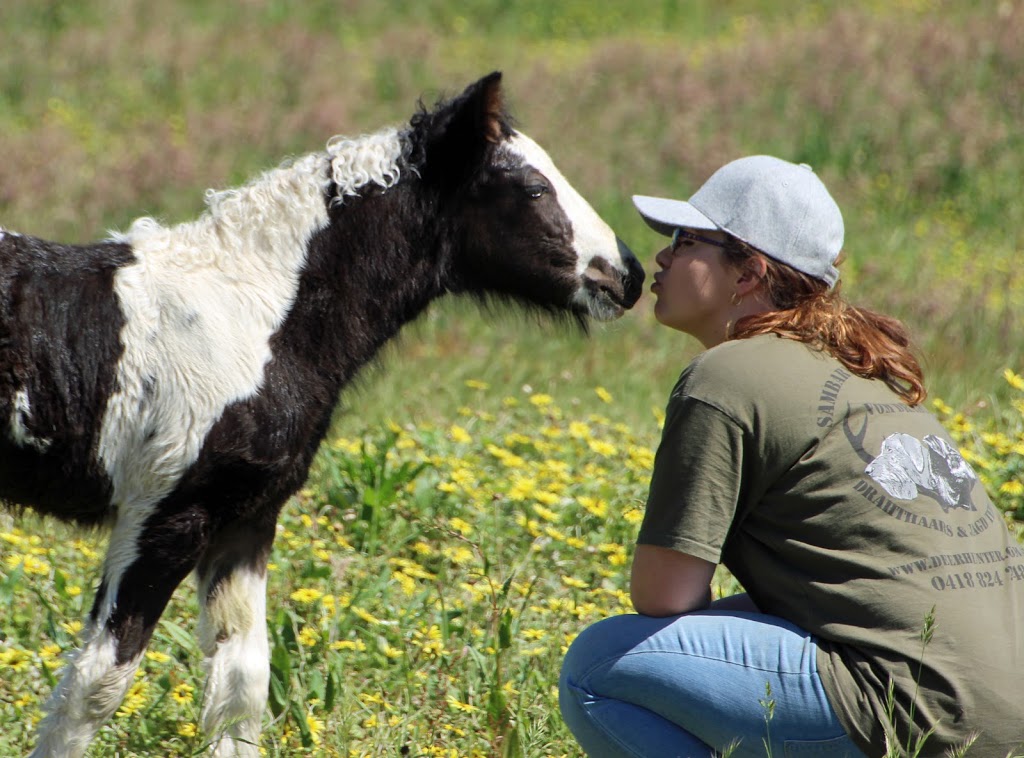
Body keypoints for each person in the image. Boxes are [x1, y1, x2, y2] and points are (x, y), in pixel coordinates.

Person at [558, 155, 1024, 757]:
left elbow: (664, 596)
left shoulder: (726, 375)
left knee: (597, 665)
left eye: (686, 240)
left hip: (923, 711)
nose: (663, 257)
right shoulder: (862, 372)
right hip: (1004, 705)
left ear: (748, 272)